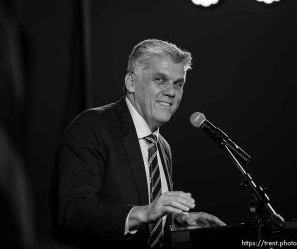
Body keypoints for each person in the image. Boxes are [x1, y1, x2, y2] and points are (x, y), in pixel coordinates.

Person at [50, 39, 225, 249]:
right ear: (131, 83)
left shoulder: (162, 146)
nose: (172, 92)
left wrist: (176, 223)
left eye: (178, 84)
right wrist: (144, 212)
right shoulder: (92, 128)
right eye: (160, 79)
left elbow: (150, 223)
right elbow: (73, 213)